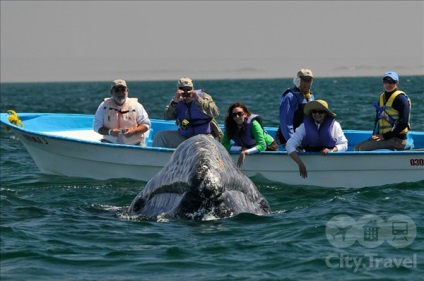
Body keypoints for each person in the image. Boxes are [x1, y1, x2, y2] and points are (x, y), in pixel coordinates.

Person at [152, 77, 223, 148]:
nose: (186, 92)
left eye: (188, 89)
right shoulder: (176, 100)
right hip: (185, 137)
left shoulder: (204, 97)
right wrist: (174, 103)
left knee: (205, 147)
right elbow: (167, 116)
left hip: (205, 136)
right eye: (182, 89)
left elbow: (216, 112)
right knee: (160, 136)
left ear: (193, 89)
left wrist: (198, 100)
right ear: (178, 90)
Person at [286, 100, 348, 178]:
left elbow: (344, 145)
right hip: (308, 157)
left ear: (326, 113)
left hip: (329, 160)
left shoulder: (335, 126)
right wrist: (300, 164)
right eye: (314, 111)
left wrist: (331, 150)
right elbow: (289, 145)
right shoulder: (304, 126)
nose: (317, 114)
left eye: (321, 112)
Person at [355, 71, 411, 151]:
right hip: (385, 138)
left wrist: (385, 136)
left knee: (363, 148)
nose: (388, 84)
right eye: (385, 82)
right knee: (357, 147)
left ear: (397, 83)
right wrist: (374, 135)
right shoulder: (382, 98)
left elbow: (404, 123)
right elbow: (377, 120)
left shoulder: (401, 99)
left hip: (398, 140)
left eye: (391, 82)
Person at [93, 79, 151, 145]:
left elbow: (146, 124)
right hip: (110, 145)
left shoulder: (137, 105)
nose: (120, 93)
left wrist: (134, 131)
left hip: (134, 145)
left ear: (127, 91)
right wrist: (110, 132)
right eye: (117, 90)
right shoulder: (103, 106)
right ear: (111, 92)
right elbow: (96, 126)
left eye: (123, 90)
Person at [222, 103, 278, 168]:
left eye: (240, 114)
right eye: (234, 115)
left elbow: (262, 146)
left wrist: (245, 152)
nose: (237, 116)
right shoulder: (230, 126)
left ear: (245, 114)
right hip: (245, 147)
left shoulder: (253, 124)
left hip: (268, 147)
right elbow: (223, 145)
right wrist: (241, 149)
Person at [276, 69, 315, 145]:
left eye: (309, 80)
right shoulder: (290, 97)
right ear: (298, 80)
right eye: (304, 80)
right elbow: (286, 123)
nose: (307, 84)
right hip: (288, 141)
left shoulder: (311, 97)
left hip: (303, 140)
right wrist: (293, 143)